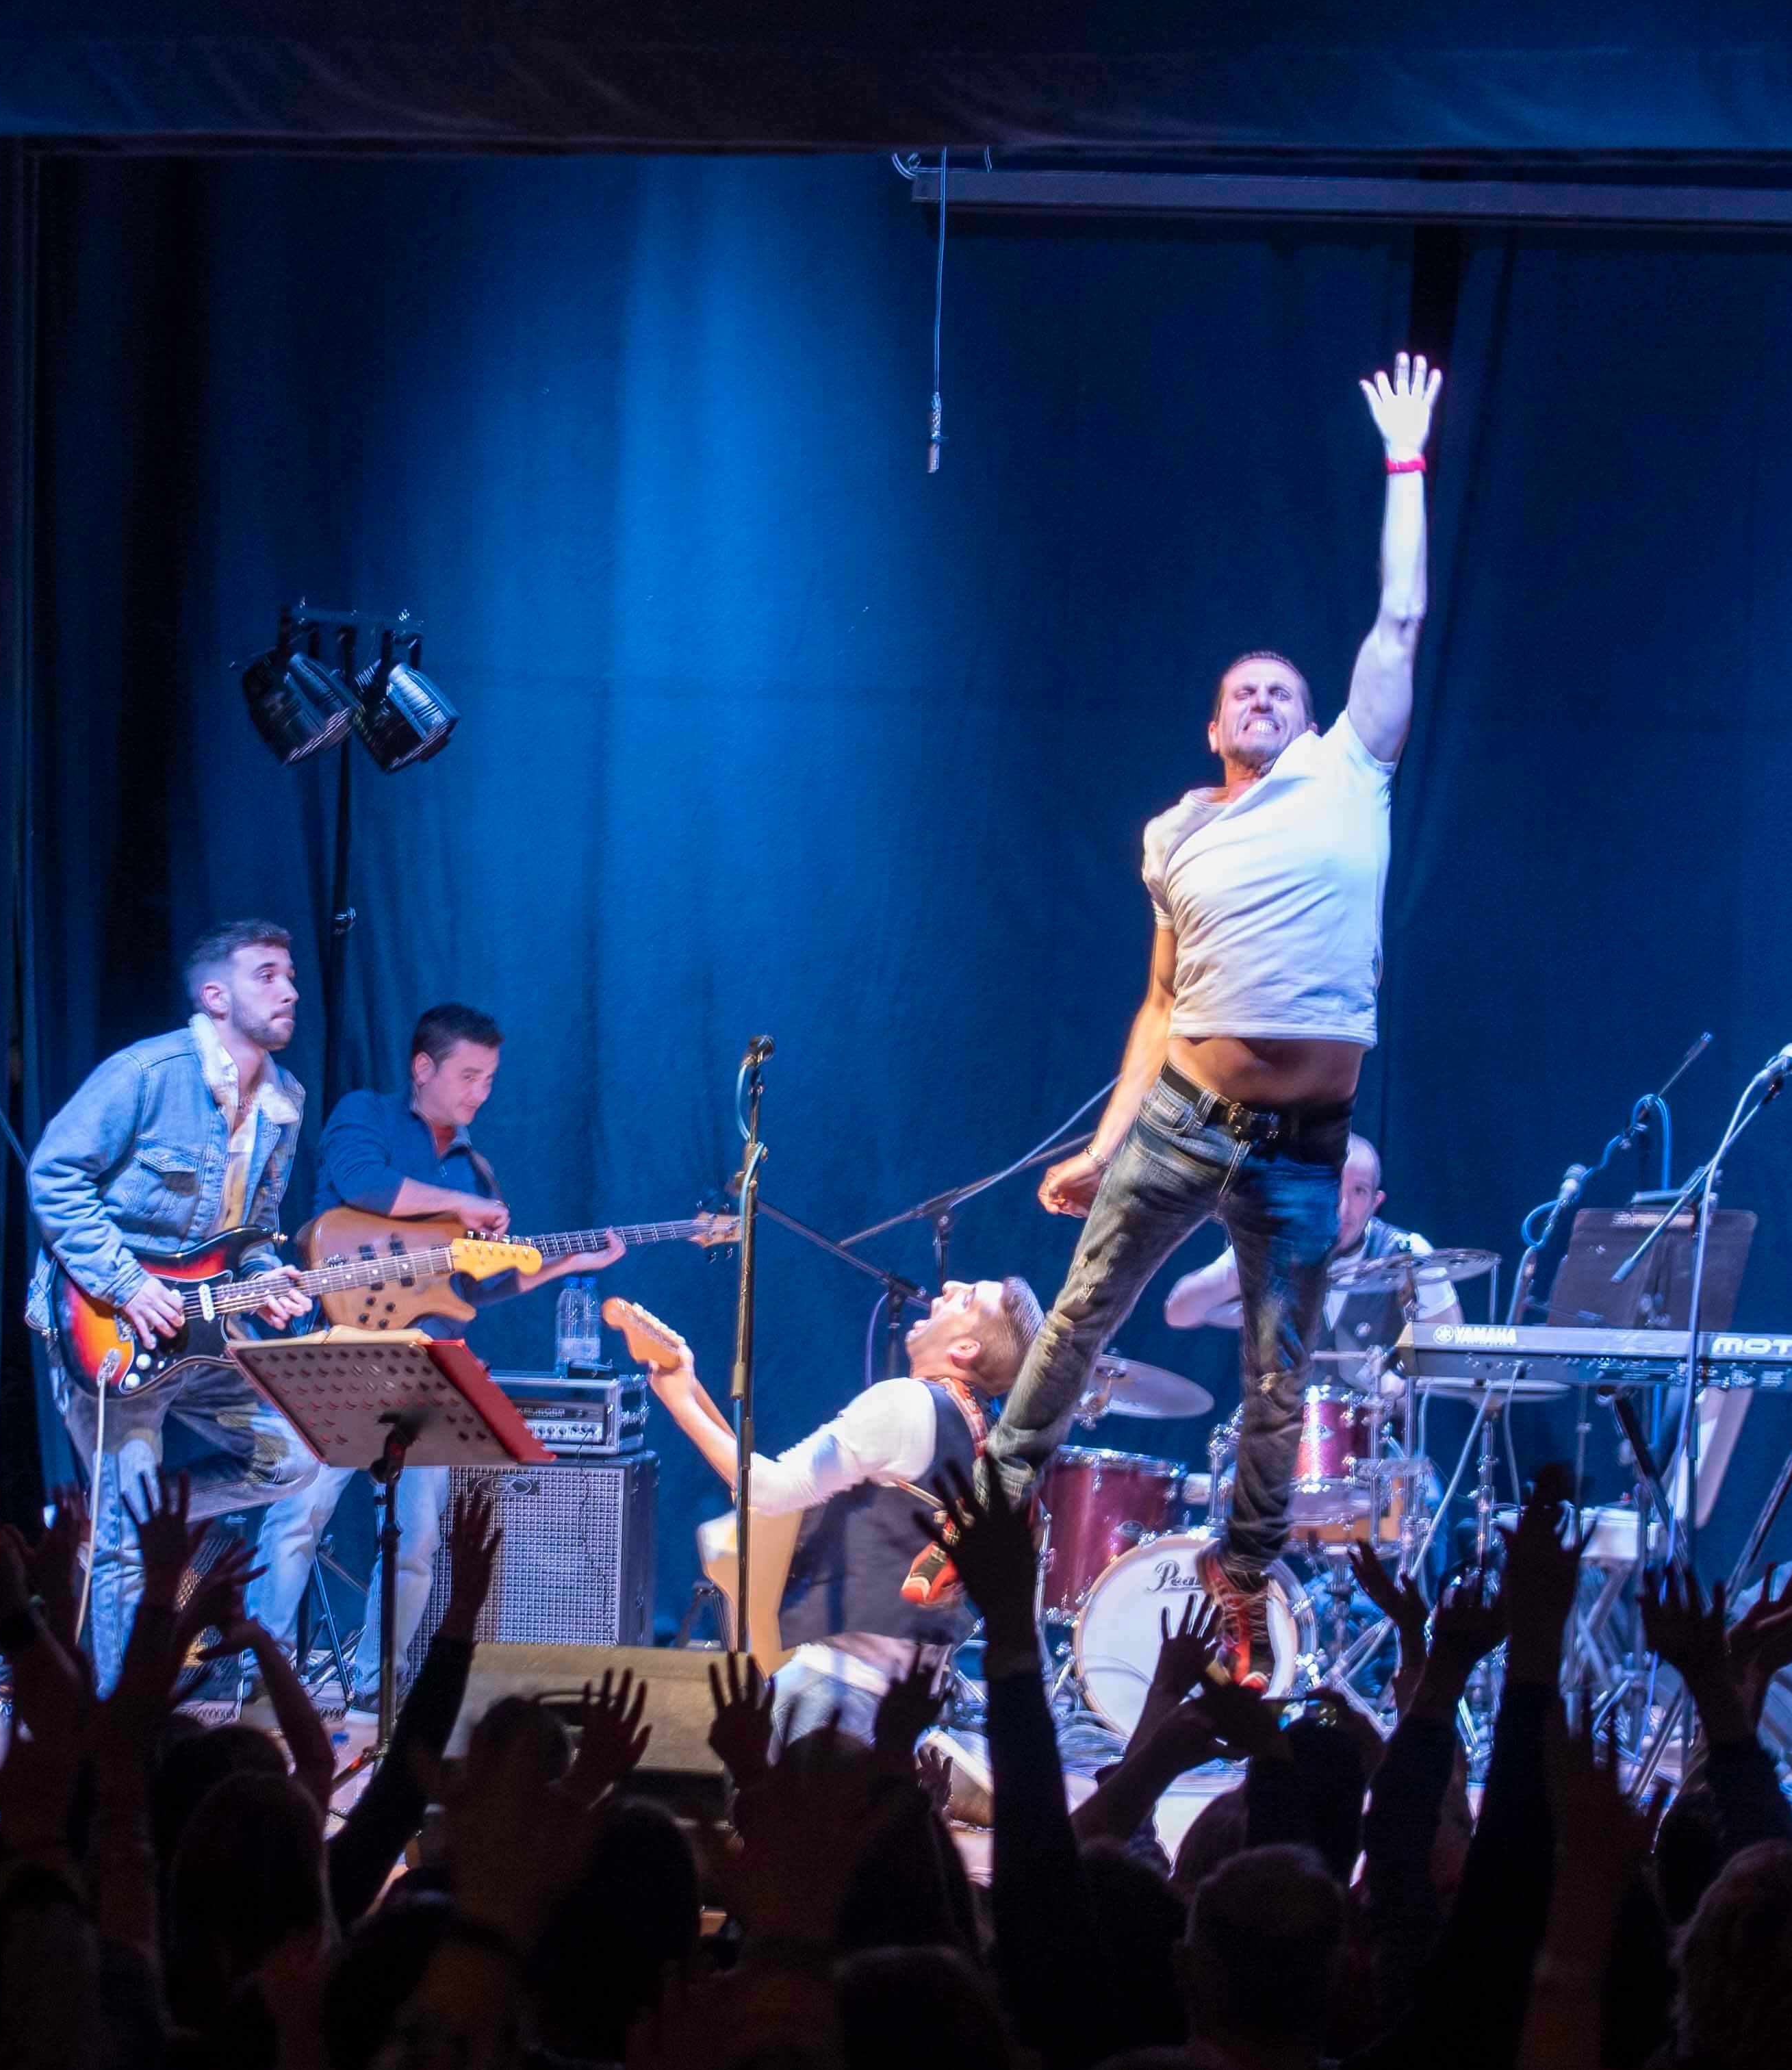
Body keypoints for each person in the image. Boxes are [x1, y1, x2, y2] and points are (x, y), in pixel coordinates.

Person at [988, 355, 1442, 1661]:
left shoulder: (1350, 773)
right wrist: (1101, 1144)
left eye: (1282, 692)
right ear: (1211, 725)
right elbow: (1156, 1003)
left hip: (1303, 1144)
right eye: (1243, 692)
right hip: (1185, 1114)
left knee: (1277, 1376)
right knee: (1082, 1311)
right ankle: (996, 1509)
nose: (1263, 700)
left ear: (1312, 719)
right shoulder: (1172, 835)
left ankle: (1240, 1574)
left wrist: (1405, 458)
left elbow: (1400, 617)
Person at [256, 1004, 623, 1698]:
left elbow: (477, 1286)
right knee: (296, 1516)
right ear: (423, 1068)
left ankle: (379, 1682)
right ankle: (261, 1669)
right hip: (340, 1349)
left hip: (424, 1365)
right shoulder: (365, 1114)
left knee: (417, 1536)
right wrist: (459, 1209)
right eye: (469, 1075)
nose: (481, 1091)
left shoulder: (474, 1169)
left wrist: (566, 1261)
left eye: (490, 1078)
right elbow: (362, 1182)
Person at [25, 919, 323, 1682]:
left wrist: (267, 1279)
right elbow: (54, 1175)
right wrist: (127, 1283)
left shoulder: (284, 1100)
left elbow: (254, 1227)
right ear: (215, 995)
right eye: (267, 974)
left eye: (290, 975)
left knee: (293, 1458)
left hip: (202, 1337)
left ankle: (122, 1514)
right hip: (108, 1329)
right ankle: (123, 1718)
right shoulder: (147, 1073)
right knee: (127, 1548)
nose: (290, 990)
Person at [611, 1278, 1037, 1745]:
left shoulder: (906, 1404)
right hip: (910, 1706)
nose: (950, 1286)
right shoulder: (990, 1436)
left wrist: (679, 1404)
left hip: (835, 1693)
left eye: (968, 1298)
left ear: (966, 1348)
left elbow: (773, 1489)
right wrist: (692, 1392)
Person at [1158, 1132, 1461, 1389]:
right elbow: (1179, 1313)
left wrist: (1402, 1383)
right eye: (1333, 1186)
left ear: (1375, 1202)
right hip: (1279, 1431)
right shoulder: (1274, 1242)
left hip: (1377, 1434)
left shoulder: (1408, 1252)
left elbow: (1449, 1348)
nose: (1342, 1207)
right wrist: (1245, 1267)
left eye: (1358, 1191)